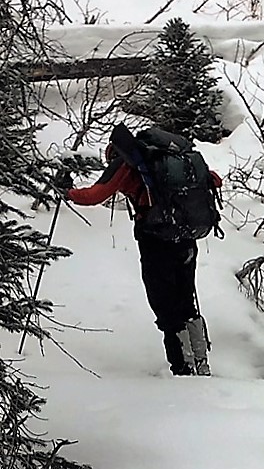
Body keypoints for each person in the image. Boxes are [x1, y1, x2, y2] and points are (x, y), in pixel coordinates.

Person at [64, 128, 220, 376]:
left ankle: (183, 369)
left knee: (165, 305)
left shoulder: (127, 164)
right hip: (186, 237)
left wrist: (68, 192)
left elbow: (96, 195)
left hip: (156, 240)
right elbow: (214, 180)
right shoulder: (176, 162)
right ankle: (201, 363)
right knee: (185, 300)